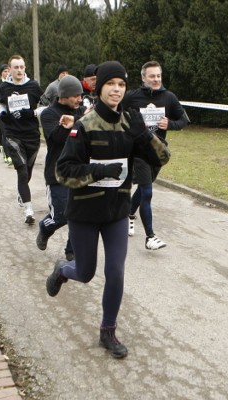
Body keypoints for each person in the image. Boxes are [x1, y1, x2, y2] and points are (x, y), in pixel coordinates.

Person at [45, 61, 171, 358]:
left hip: (115, 211)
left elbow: (163, 158)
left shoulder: (130, 123)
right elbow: (64, 172)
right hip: (85, 213)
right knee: (86, 273)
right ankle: (63, 271)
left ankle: (108, 331)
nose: (116, 89)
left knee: (115, 272)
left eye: (122, 84)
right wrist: (100, 171)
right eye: (111, 84)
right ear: (99, 88)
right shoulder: (84, 125)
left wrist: (145, 136)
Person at [121, 60, 189, 250]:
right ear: (143, 78)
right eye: (152, 76)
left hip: (158, 152)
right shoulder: (132, 97)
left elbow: (184, 119)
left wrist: (171, 125)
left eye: (158, 76)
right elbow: (116, 112)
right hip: (139, 152)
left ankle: (129, 213)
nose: (156, 79)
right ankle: (150, 237)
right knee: (148, 191)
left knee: (143, 189)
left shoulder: (169, 97)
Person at [37, 75, 86, 261]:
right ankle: (44, 227)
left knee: (79, 213)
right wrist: (71, 125)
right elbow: (56, 138)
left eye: (81, 95)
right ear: (64, 95)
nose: (80, 99)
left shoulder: (80, 111)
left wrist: (77, 119)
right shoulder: (49, 114)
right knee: (62, 215)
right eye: (76, 96)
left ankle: (71, 250)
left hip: (79, 170)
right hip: (56, 173)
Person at [0, 55, 44, 224]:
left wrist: (31, 113)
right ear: (9, 69)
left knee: (28, 171)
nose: (19, 70)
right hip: (12, 134)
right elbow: (1, 103)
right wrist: (3, 112)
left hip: (32, 135)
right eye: (15, 67)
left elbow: (45, 107)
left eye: (21, 67)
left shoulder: (33, 86)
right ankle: (29, 210)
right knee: (22, 170)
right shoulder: (4, 87)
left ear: (25, 68)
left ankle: (21, 193)